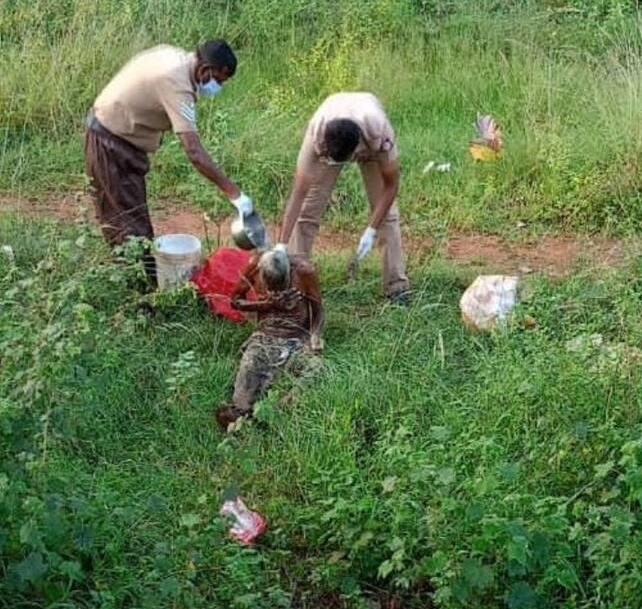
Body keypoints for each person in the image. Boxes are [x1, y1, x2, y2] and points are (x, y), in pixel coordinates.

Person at [85, 40, 254, 286]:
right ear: (205, 68)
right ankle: (141, 299)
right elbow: (194, 152)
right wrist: (234, 193)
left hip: (119, 140)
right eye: (219, 79)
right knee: (130, 228)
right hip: (110, 144)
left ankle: (141, 286)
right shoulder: (176, 85)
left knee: (130, 217)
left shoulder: (176, 57)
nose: (218, 86)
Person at [279, 92, 409, 302]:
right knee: (306, 213)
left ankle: (396, 286)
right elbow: (298, 193)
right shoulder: (317, 134)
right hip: (332, 122)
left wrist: (371, 229)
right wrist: (281, 245)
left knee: (388, 217)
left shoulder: (380, 132)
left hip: (369, 135)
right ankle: (296, 282)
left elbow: (391, 186)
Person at [215, 245, 324, 430]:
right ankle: (242, 412)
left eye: (281, 286)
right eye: (270, 288)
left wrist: (315, 336)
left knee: (315, 368)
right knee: (249, 367)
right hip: (265, 336)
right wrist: (267, 304)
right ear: (261, 275)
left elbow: (318, 308)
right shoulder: (254, 265)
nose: (275, 292)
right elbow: (235, 301)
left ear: (289, 271)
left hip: (296, 337)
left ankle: (279, 409)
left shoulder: (304, 270)